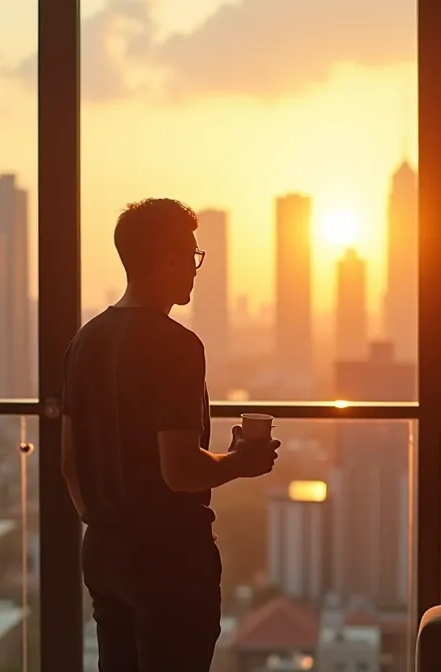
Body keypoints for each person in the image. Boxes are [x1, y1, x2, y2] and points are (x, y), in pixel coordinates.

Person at [61, 198, 279, 671]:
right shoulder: (175, 345)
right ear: (170, 257)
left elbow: (69, 463)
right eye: (193, 255)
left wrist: (103, 524)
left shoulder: (86, 340)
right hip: (169, 557)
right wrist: (240, 462)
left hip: (103, 550)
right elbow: (180, 471)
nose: (196, 269)